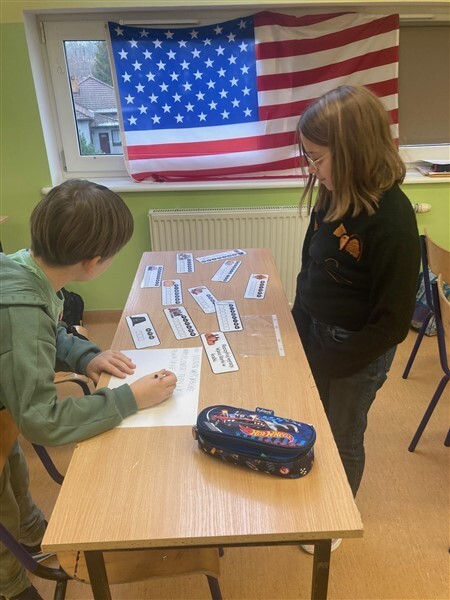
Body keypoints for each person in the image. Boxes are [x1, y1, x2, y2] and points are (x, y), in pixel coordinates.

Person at [0, 180, 177, 600]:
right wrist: (129, 399)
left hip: (6, 406)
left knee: (14, 471)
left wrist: (84, 356)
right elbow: (43, 420)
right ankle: (10, 583)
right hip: (11, 406)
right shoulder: (22, 310)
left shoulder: (24, 267)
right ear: (95, 262)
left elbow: (48, 333)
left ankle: (30, 530)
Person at [292, 85, 420, 550]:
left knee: (343, 432)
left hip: (358, 350)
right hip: (319, 334)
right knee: (313, 420)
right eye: (307, 157)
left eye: (317, 157)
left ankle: (334, 520)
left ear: (353, 152)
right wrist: (297, 326)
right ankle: (314, 493)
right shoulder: (332, 193)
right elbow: (311, 263)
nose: (312, 168)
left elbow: (393, 323)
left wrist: (332, 360)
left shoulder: (393, 219)